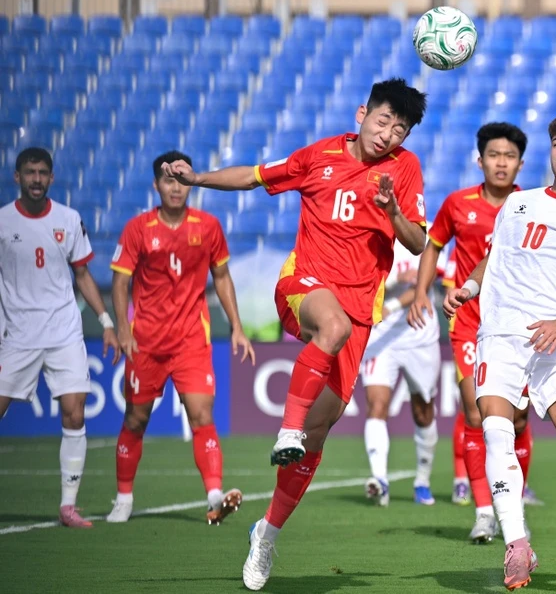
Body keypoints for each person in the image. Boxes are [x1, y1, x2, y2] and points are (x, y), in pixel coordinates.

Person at [161, 78, 427, 592]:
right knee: (330, 327)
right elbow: (253, 177)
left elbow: (416, 243)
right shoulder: (318, 155)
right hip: (303, 284)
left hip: (359, 309)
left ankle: (266, 532)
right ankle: (286, 428)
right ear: (361, 113)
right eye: (382, 120)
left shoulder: (406, 169)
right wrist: (197, 179)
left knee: (316, 436)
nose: (388, 133)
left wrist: (392, 208)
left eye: (400, 128)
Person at [443, 112, 556, 593]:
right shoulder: (518, 204)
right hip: (501, 335)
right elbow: (493, 258)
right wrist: (467, 286)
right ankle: (516, 542)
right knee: (496, 434)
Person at [408, 122, 541, 543]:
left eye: (509, 156)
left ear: (520, 163)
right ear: (479, 159)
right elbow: (432, 246)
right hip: (468, 322)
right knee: (475, 412)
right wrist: (420, 293)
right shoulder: (457, 204)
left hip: (518, 325)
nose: (501, 163)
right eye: (493, 155)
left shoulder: (532, 205)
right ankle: (484, 512)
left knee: (518, 418)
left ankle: (512, 502)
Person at [107, 151, 256, 524]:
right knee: (136, 420)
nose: (175, 188)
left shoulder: (207, 227)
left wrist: (236, 325)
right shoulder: (138, 229)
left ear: (190, 181)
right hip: (146, 342)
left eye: (181, 179)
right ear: (156, 185)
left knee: (202, 415)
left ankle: (215, 496)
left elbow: (221, 277)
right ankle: (123, 498)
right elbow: (120, 280)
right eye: (168, 180)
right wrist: (123, 329)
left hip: (192, 339)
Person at [0, 147, 120, 527]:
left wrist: (106, 322)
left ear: (52, 178)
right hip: (17, 333)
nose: (36, 179)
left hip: (64, 331)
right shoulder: (2, 222)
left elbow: (82, 274)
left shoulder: (68, 219)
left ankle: (68, 506)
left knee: (74, 409)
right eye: (29, 172)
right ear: (17, 177)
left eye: (42, 173)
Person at [360, 238, 447, 507]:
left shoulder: (428, 235)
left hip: (419, 333)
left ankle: (422, 481)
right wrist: (397, 278)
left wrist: (392, 303)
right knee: (377, 405)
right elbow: (361, 285)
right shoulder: (369, 237)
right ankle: (380, 480)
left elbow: (427, 278)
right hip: (381, 337)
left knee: (423, 410)